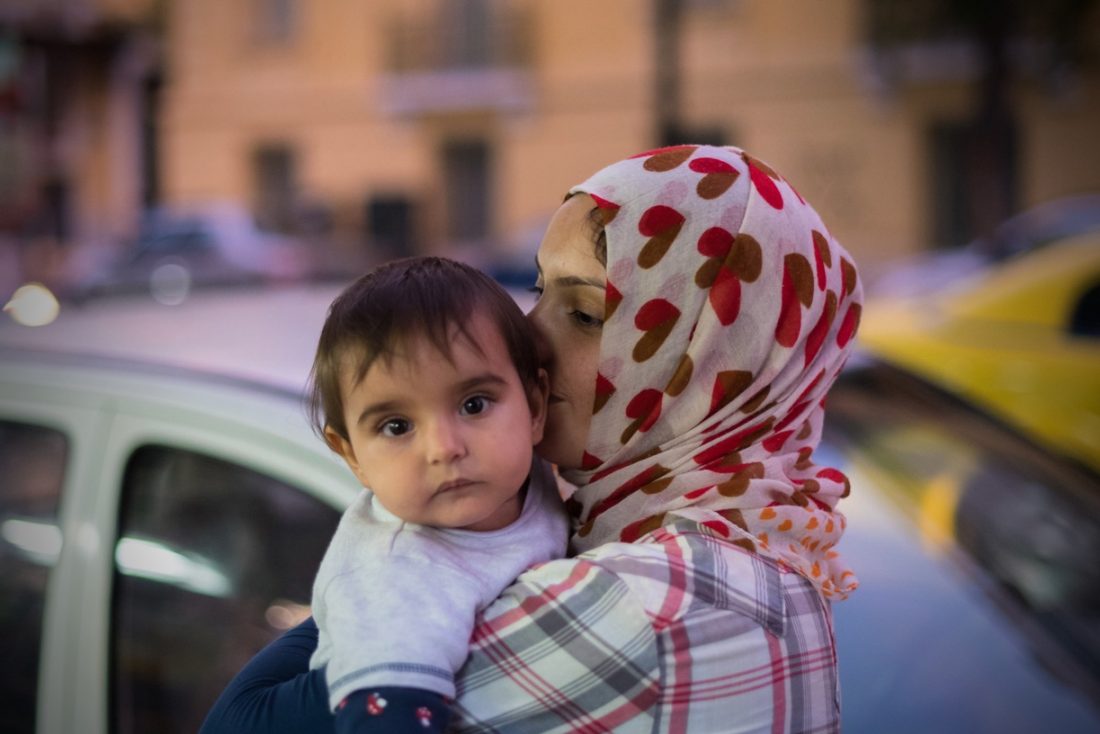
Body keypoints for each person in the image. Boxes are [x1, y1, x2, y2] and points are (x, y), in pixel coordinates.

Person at [200, 143, 863, 733]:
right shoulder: (768, 545)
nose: (529, 337)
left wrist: (393, 552)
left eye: (581, 311)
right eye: (540, 289)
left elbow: (244, 718)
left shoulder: (651, 605)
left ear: (706, 356)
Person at [306, 257, 568, 733]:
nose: (445, 449)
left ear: (534, 406)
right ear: (351, 456)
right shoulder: (395, 579)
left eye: (474, 404)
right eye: (397, 426)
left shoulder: (543, 477)